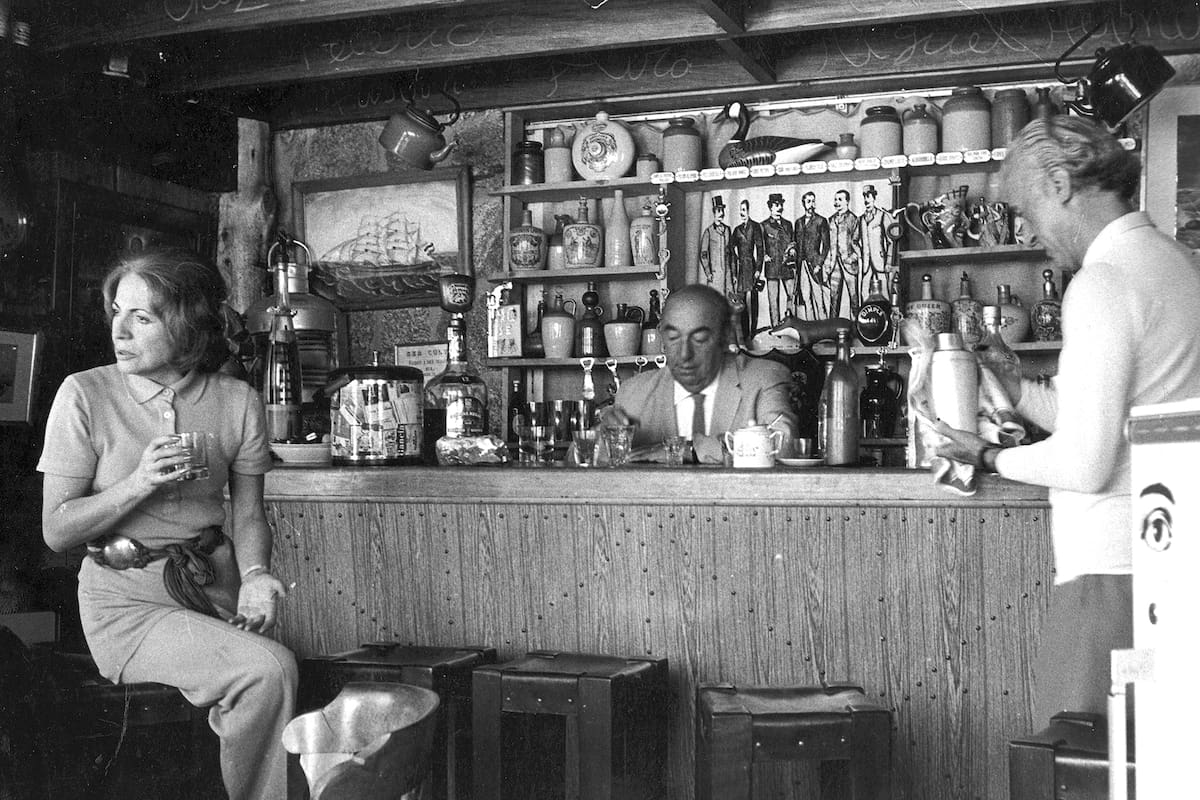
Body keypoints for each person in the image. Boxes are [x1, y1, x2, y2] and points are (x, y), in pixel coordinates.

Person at [933, 116, 1200, 725]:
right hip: (1167, 561)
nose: (1029, 232)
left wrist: (986, 454)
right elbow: (1110, 420)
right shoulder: (1174, 264)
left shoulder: (1103, 281)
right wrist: (1016, 388)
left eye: (1025, 212)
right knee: (1152, 768)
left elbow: (1084, 462)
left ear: (1059, 183)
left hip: (1109, 575)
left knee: (1076, 765)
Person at [38, 248, 297, 800]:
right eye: (116, 311)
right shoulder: (84, 394)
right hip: (124, 602)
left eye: (142, 317)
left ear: (186, 328)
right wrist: (138, 481)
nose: (120, 330)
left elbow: (249, 512)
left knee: (273, 678)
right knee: (268, 670)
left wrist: (255, 573)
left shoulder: (237, 401)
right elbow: (57, 530)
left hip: (212, 589)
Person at [603, 284, 798, 463]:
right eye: (673, 338)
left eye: (700, 339)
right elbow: (579, 464)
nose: (685, 354)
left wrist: (690, 450)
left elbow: (784, 445)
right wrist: (602, 437)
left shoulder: (763, 378)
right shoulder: (633, 393)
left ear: (724, 337)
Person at [822, 189, 861, 319]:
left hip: (849, 264)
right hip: (834, 265)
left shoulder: (853, 219)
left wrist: (853, 258)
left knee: (854, 297)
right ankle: (832, 326)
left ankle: (856, 325)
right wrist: (827, 265)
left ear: (847, 202)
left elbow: (857, 242)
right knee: (834, 297)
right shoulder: (830, 220)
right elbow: (828, 245)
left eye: (840, 199)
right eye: (835, 199)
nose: (837, 202)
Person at [730, 198, 765, 337]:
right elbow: (731, 251)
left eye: (744, 210)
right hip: (740, 269)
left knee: (754, 299)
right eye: (740, 210)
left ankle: (753, 330)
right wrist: (733, 272)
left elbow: (760, 250)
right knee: (742, 301)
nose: (741, 212)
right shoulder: (737, 230)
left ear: (749, 211)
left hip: (751, 265)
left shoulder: (755, 227)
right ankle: (745, 332)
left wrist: (758, 270)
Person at [761, 193, 796, 327]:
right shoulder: (763, 225)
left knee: (791, 296)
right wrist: (764, 254)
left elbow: (793, 242)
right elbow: (759, 245)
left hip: (787, 266)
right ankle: (775, 326)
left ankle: (789, 323)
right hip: (772, 268)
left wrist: (793, 248)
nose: (779, 208)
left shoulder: (788, 224)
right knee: (773, 300)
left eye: (780, 205)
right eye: (776, 205)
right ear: (770, 207)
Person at [794, 190, 829, 318]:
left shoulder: (821, 221)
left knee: (819, 300)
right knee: (806, 298)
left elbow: (826, 246)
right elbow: (795, 243)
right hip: (801, 265)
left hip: (814, 265)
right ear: (804, 203)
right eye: (809, 202)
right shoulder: (798, 223)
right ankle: (811, 327)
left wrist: (819, 264)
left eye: (813, 201)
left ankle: (824, 326)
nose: (812, 205)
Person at [698, 195, 732, 298]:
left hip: (727, 274)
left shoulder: (727, 230)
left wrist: (733, 274)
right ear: (714, 213)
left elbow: (731, 253)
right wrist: (708, 272)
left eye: (722, 210)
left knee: (729, 301)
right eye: (718, 211)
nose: (721, 213)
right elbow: (703, 254)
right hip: (715, 274)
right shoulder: (709, 231)